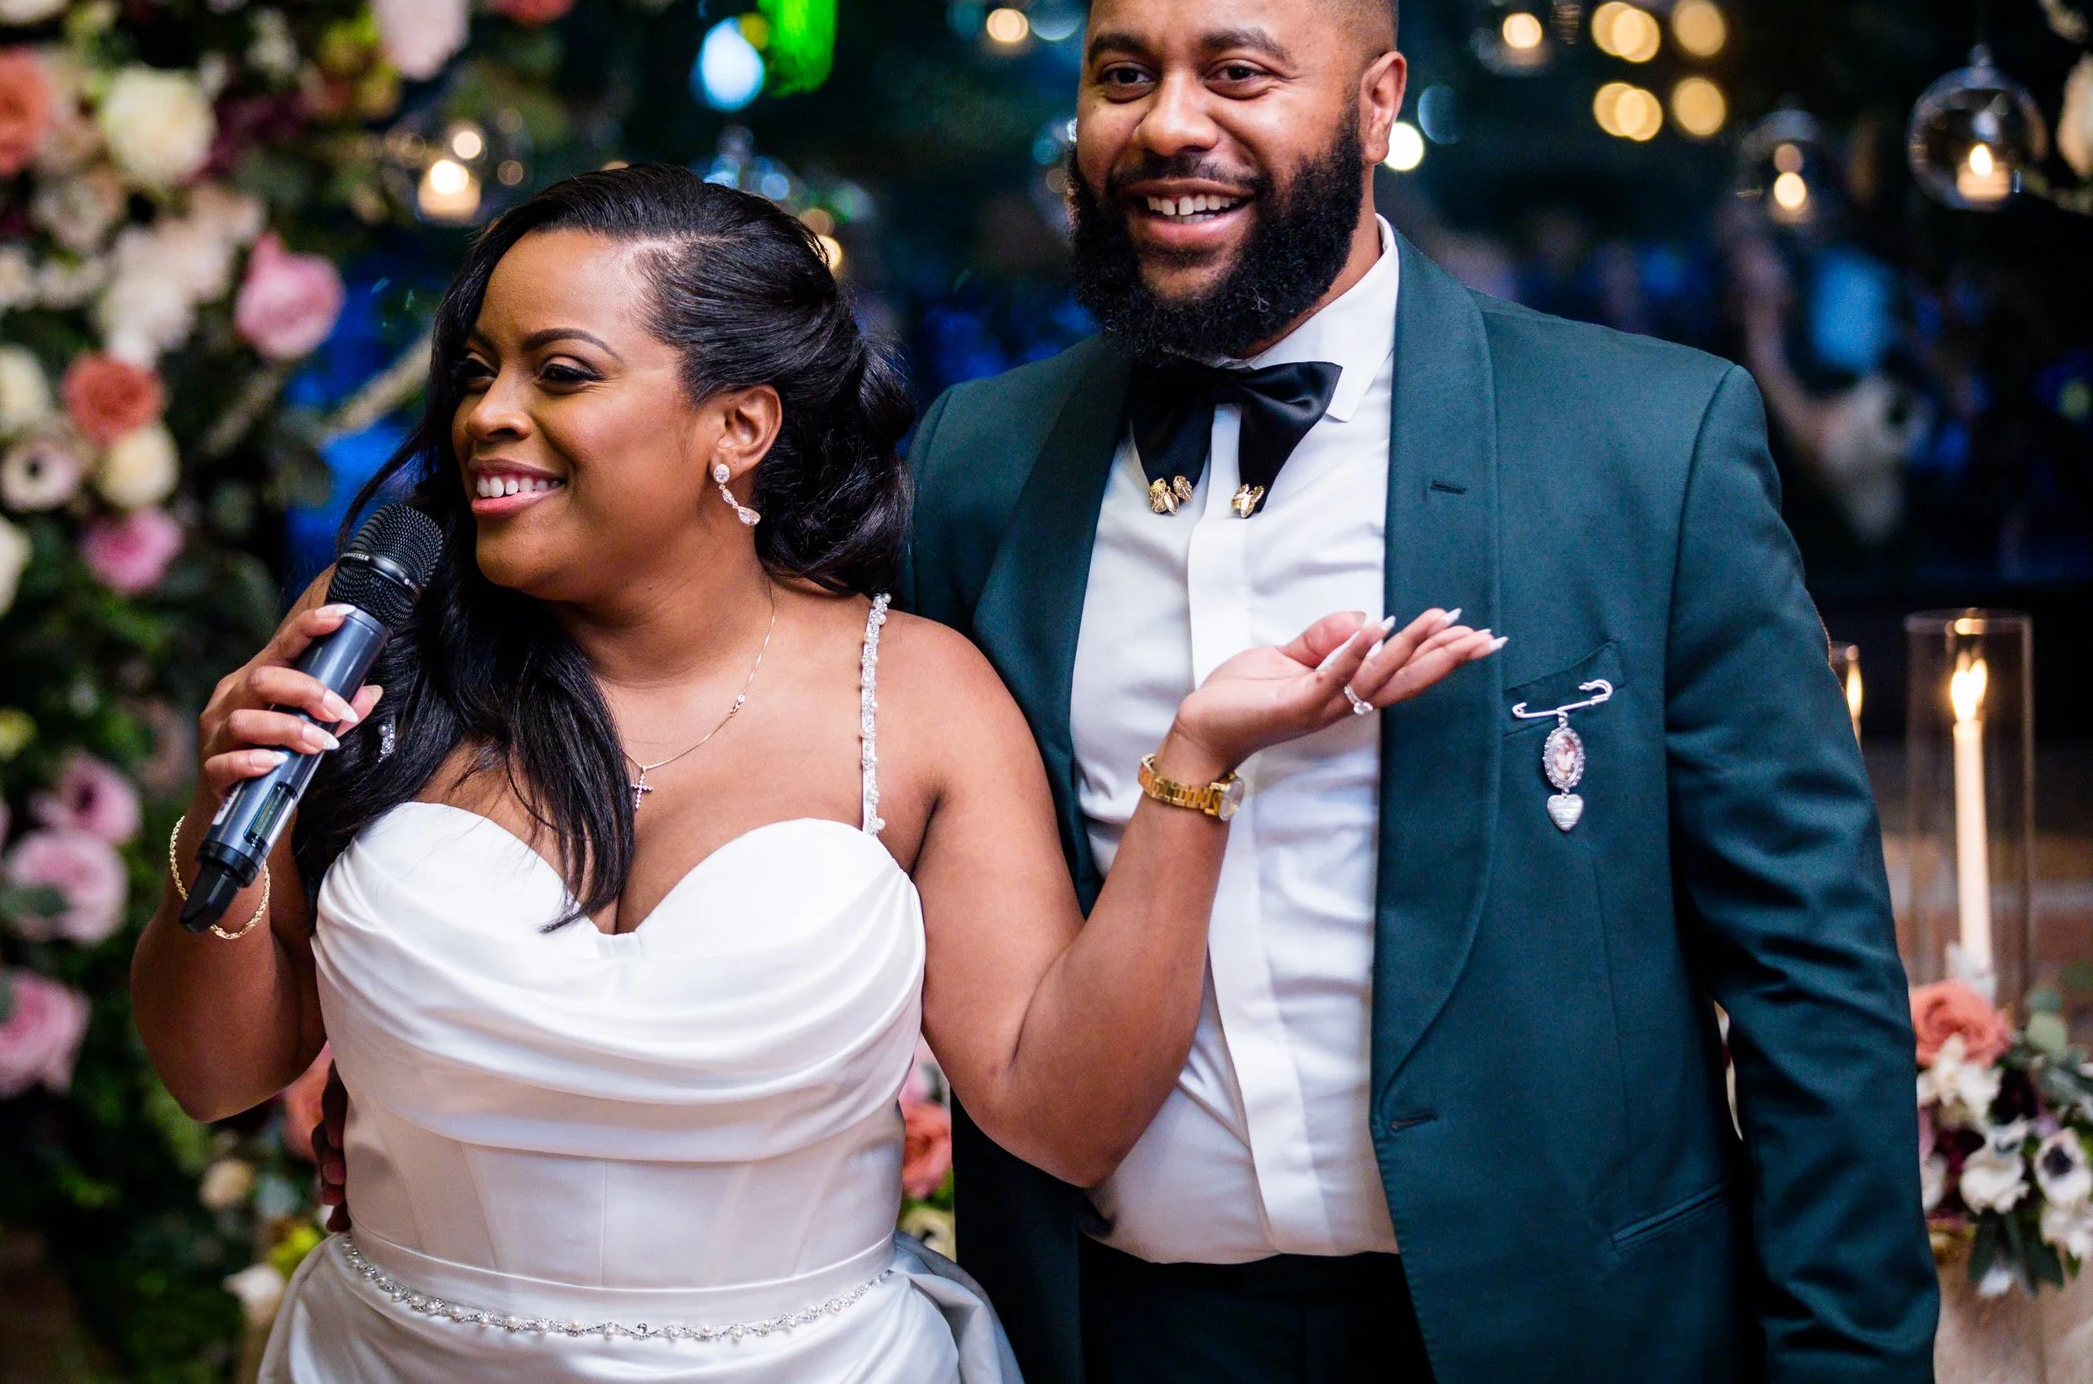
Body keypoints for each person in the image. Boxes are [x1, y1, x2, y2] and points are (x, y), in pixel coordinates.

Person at [131, 162, 1498, 1383]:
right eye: (477, 369)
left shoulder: (913, 699)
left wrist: (1195, 765)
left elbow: (1063, 1109)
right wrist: (220, 815)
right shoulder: (375, 646)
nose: (488, 413)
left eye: (560, 372)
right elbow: (212, 1072)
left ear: (739, 427)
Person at [898, 0, 1936, 1382]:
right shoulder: (976, 464)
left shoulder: (1645, 444)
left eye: (1238, 71)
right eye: (1124, 75)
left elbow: (1810, 977)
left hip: (1558, 1332)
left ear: (1378, 101)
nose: (1170, 122)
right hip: (1116, 1336)